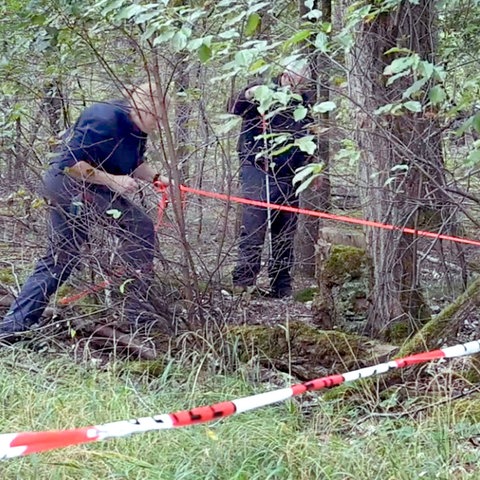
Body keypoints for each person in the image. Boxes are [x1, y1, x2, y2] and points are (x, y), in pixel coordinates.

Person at [0, 82, 170, 341]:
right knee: (133, 229)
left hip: (91, 188)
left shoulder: (137, 129)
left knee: (64, 258)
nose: (157, 123)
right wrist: (114, 181)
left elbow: (134, 163)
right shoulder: (105, 117)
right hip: (70, 185)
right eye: (155, 116)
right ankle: (141, 319)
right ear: (141, 103)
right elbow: (71, 165)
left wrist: (157, 178)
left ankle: (13, 326)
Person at [229, 65, 314, 298]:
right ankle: (244, 283)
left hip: (290, 173)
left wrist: (310, 169)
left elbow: (309, 136)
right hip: (258, 168)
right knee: (254, 226)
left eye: (304, 81)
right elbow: (234, 106)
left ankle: (281, 285)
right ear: (286, 75)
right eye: (298, 79)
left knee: (285, 230)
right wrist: (249, 93)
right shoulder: (263, 91)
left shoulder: (304, 103)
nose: (301, 85)